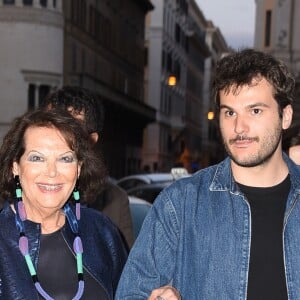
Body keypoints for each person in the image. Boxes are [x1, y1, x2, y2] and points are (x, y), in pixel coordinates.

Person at [115, 48, 300, 299]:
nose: (239, 127)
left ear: (285, 116)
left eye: (255, 110)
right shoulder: (180, 203)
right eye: (229, 112)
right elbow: (131, 293)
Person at [0, 109, 128, 299]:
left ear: (78, 169)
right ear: (15, 166)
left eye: (65, 158)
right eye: (37, 158)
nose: (52, 172)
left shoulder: (101, 231)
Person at [42, 86, 134, 249]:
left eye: (72, 126)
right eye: (52, 124)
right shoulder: (17, 193)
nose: (60, 134)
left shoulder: (114, 201)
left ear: (92, 140)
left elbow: (126, 269)